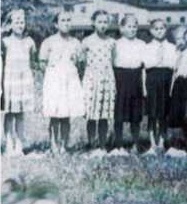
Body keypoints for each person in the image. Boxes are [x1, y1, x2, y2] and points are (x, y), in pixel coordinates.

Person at [39, 12, 84, 154]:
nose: (66, 23)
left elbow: (80, 63)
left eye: (68, 20)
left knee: (66, 114)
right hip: (54, 80)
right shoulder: (49, 42)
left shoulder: (76, 43)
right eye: (63, 20)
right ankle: (54, 145)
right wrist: (53, 74)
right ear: (56, 24)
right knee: (55, 113)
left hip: (70, 79)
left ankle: (64, 145)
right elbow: (42, 62)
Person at [2, 10, 37, 156]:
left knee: (21, 114)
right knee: (10, 113)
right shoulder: (5, 42)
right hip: (10, 81)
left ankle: (20, 145)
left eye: (22, 22)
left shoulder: (29, 42)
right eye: (16, 22)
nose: (20, 25)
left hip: (24, 81)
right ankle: (9, 144)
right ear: (9, 25)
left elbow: (33, 62)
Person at [81, 10, 116, 150]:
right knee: (92, 114)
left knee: (104, 114)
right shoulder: (86, 41)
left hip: (107, 79)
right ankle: (91, 143)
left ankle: (102, 145)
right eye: (100, 22)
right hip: (91, 79)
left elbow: (112, 61)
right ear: (93, 23)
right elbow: (82, 62)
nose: (102, 25)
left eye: (105, 22)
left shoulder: (112, 42)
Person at [113, 14, 147, 151]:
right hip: (120, 78)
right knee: (119, 114)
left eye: (135, 26)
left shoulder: (142, 44)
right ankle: (119, 144)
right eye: (129, 26)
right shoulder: (115, 44)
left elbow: (144, 66)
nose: (132, 29)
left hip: (136, 78)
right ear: (121, 28)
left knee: (135, 115)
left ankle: (135, 143)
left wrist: (144, 87)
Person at [144, 19, 177, 151]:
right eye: (156, 29)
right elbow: (146, 65)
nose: (159, 31)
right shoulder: (147, 47)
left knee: (163, 112)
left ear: (166, 30)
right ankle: (152, 143)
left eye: (162, 28)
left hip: (166, 79)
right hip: (152, 78)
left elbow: (173, 66)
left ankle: (162, 142)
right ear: (151, 31)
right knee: (152, 112)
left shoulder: (172, 47)